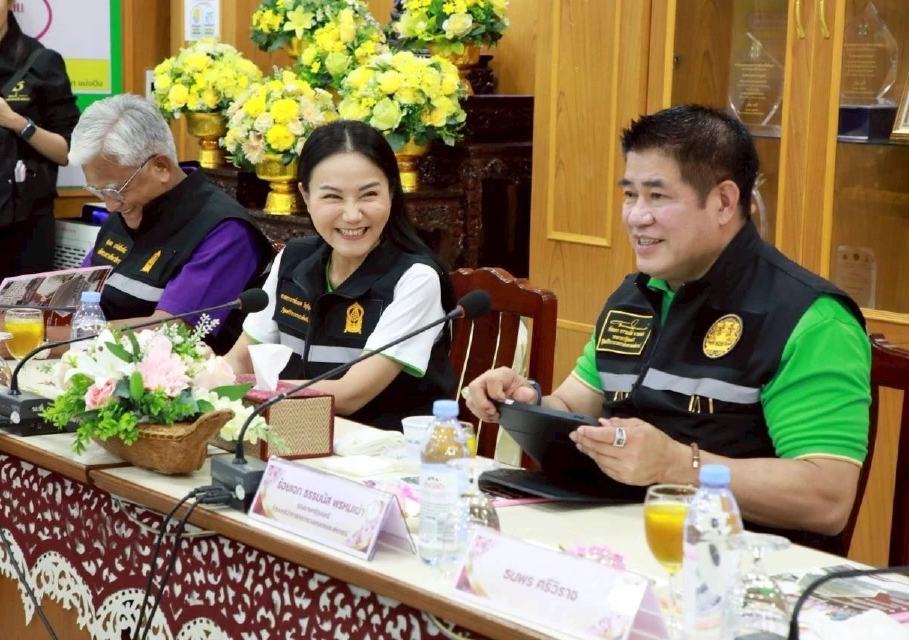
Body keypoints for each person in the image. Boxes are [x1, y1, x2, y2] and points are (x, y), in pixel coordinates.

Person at [463, 104, 870, 554]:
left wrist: (679, 466)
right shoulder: (636, 295)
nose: (636, 217)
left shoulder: (811, 318)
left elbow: (827, 498)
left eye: (657, 196)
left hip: (735, 564)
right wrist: (527, 403)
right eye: (630, 195)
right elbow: (574, 408)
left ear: (723, 202)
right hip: (614, 542)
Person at [0, 94, 274, 355]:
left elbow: (171, 332)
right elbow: (75, 300)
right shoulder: (126, 208)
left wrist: (34, 339)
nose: (109, 205)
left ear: (161, 166)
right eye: (98, 191)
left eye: (115, 190)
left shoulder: (224, 230)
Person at [226, 119, 457, 431]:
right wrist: (199, 377)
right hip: (295, 435)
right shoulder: (293, 259)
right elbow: (240, 359)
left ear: (392, 190)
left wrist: (249, 389)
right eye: (333, 197)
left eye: (368, 195)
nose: (352, 215)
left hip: (382, 450)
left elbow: (349, 395)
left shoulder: (416, 279)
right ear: (305, 196)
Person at [0, 0, 80, 304]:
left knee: (23, 322)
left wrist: (14, 121)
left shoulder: (42, 62)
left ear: (10, 2)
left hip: (25, 227)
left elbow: (67, 152)